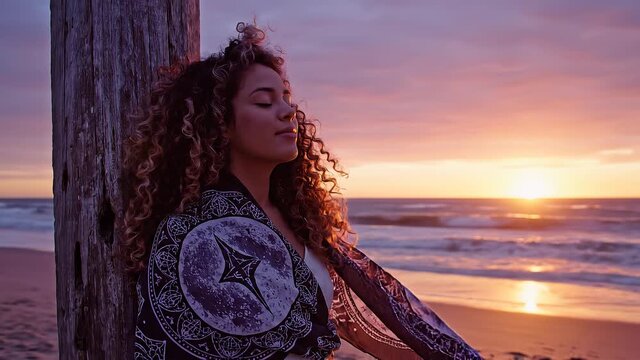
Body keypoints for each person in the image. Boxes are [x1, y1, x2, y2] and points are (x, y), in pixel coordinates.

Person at [122, 22, 481, 360]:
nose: (287, 112)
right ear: (219, 123)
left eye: (286, 98)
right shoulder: (190, 234)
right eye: (265, 102)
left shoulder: (300, 220)